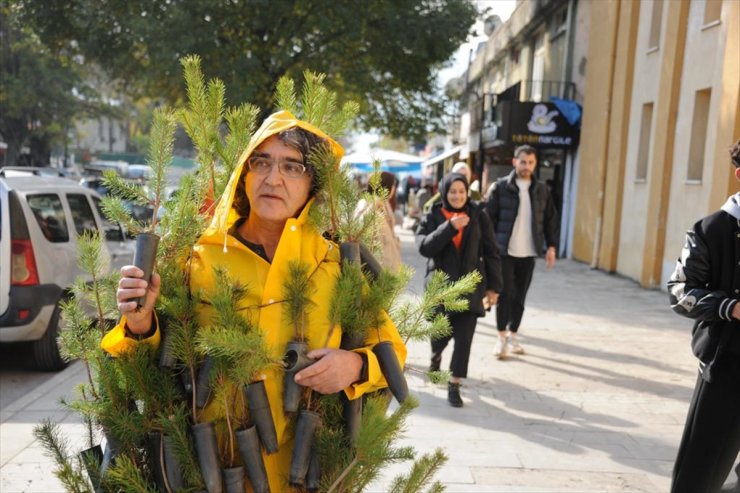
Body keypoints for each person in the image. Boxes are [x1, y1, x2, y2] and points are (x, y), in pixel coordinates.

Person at [103, 111, 407, 491]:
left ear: (313, 183)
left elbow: (391, 350)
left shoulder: (335, 265)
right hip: (212, 469)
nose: (273, 177)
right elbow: (149, 370)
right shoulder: (198, 259)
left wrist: (355, 365)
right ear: (244, 175)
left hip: (307, 473)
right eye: (260, 162)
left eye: (292, 166)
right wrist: (139, 323)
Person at [667, 139, 740, 493]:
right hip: (727, 366)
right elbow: (680, 291)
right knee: (699, 475)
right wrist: (730, 307)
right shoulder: (711, 230)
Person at [416, 172, 502, 407]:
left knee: (464, 340)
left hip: (470, 289)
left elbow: (492, 252)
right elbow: (424, 247)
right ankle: (435, 358)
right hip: (441, 289)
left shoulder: (478, 215)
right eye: (452, 191)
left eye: (461, 191)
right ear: (444, 192)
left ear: (467, 193)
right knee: (439, 336)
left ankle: (454, 385)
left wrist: (494, 287)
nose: (457, 196)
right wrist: (449, 227)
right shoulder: (432, 215)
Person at [484, 145, 559, 359]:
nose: (526, 166)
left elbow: (551, 221)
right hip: (505, 252)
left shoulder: (542, 190)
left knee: (520, 298)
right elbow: (489, 220)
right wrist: (488, 250)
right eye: (523, 161)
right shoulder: (500, 188)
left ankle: (513, 334)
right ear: (514, 162)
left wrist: (551, 247)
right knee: (505, 295)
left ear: (535, 164)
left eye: (531, 163)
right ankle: (500, 338)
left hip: (528, 253)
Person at [355, 170, 402, 271]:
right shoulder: (372, 208)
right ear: (387, 187)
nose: (394, 189)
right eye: (393, 185)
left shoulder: (381, 206)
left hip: (383, 269)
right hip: (377, 272)